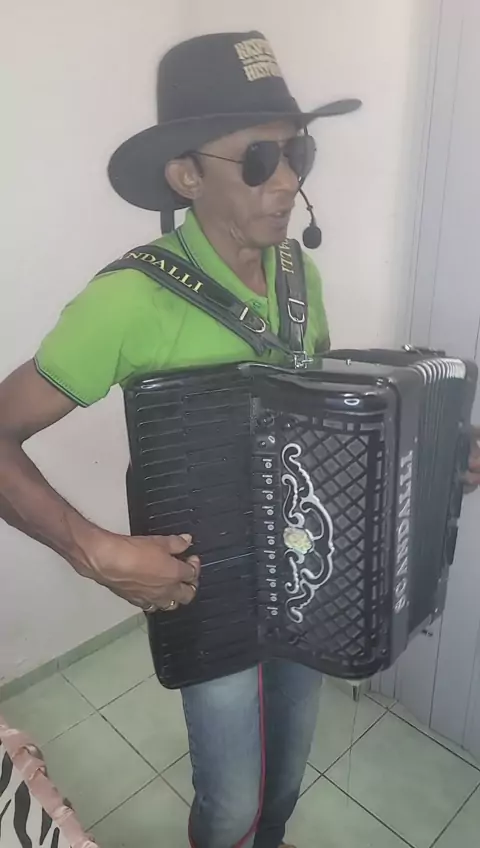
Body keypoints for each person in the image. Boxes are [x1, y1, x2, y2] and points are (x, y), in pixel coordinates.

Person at [0, 30, 479, 848]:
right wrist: (93, 549)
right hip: (208, 595)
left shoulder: (300, 277)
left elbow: (315, 430)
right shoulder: (125, 302)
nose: (288, 180)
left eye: (298, 152)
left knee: (285, 778)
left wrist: (434, 464)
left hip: (305, 580)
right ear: (186, 175)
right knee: (228, 803)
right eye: (259, 158)